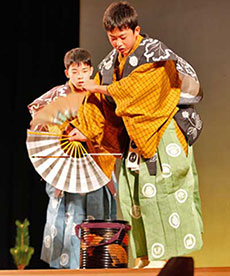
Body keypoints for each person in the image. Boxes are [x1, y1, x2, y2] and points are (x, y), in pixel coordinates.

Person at [68, 1, 203, 269]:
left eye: (122, 36)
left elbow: (137, 90)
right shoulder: (109, 63)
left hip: (163, 132)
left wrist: (101, 89)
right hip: (136, 137)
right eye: (112, 37)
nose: (117, 42)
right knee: (135, 194)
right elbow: (97, 104)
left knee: (163, 190)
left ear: (136, 29)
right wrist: (85, 128)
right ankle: (145, 254)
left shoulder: (155, 53)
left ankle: (166, 257)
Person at [27, 48, 118, 269]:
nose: (80, 76)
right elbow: (36, 112)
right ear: (67, 72)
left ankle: (97, 267)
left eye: (84, 71)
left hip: (94, 161)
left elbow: (110, 126)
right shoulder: (59, 94)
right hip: (67, 164)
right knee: (68, 217)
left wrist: (89, 133)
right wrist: (63, 129)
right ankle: (66, 269)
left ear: (91, 71)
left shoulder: (98, 94)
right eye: (75, 71)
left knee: (97, 219)